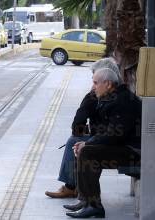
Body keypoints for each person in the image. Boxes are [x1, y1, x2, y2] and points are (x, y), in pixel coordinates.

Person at [64, 68, 142, 218]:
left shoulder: (123, 101)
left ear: (107, 84)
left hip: (134, 151)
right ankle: (86, 201)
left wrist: (87, 145)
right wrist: (86, 143)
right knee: (84, 149)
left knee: (88, 152)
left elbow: (114, 135)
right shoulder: (112, 97)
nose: (93, 87)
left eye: (95, 83)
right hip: (123, 146)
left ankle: (94, 206)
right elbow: (104, 132)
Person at [45, 58, 122, 200]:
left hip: (115, 144)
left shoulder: (100, 96)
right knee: (80, 143)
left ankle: (72, 188)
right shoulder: (119, 92)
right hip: (114, 140)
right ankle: (80, 191)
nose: (93, 84)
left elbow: (77, 126)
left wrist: (89, 98)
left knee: (74, 142)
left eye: (95, 81)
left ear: (106, 81)